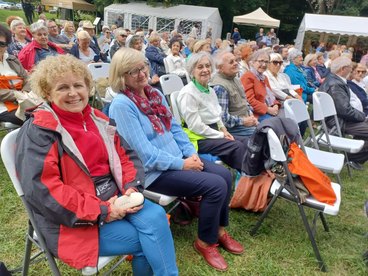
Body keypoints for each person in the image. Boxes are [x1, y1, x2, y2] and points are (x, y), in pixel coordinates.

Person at [15, 54, 178, 275]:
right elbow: (46, 193)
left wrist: (131, 188)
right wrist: (105, 210)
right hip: (71, 218)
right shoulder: (40, 131)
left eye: (78, 85)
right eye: (62, 87)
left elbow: (127, 157)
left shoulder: (97, 119)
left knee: (157, 217)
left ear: (88, 87)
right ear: (47, 93)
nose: (73, 93)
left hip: (117, 196)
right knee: (149, 239)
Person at [108, 48, 244, 272]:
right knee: (215, 185)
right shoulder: (122, 105)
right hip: (152, 173)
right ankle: (205, 242)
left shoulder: (153, 94)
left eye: (143, 67)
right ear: (121, 76)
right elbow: (145, 154)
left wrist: (190, 152)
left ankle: (218, 230)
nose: (142, 73)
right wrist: (183, 164)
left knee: (225, 175)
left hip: (177, 159)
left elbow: (175, 128)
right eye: (134, 71)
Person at [177, 52, 248, 171]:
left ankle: (246, 175)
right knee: (236, 146)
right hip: (198, 137)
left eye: (208, 66)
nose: (205, 70)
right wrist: (221, 135)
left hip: (213, 131)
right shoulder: (188, 93)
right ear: (192, 71)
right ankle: (247, 178)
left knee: (246, 142)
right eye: (200, 67)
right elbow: (195, 126)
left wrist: (224, 130)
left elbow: (217, 114)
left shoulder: (209, 90)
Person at [319, 56, 368, 168]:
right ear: (343, 69)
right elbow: (344, 110)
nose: (352, 70)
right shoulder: (335, 84)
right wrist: (362, 116)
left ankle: (353, 157)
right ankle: (351, 158)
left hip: (339, 119)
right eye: (350, 68)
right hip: (337, 122)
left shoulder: (334, 80)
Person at [211, 50, 257, 137]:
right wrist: (244, 121)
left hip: (246, 121)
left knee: (272, 128)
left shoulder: (236, 79)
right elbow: (223, 119)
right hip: (233, 128)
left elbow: (245, 103)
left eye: (236, 60)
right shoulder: (220, 87)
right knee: (264, 135)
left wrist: (251, 116)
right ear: (220, 68)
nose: (236, 63)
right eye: (231, 62)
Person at [0, 24, 30, 125]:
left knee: (49, 111)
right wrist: (17, 95)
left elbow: (27, 78)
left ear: (7, 45)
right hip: (3, 107)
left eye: (1, 44)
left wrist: (25, 92)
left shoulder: (12, 59)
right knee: (31, 119)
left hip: (24, 100)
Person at [241, 50, 280, 122]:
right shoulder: (247, 77)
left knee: (288, 119)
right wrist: (267, 109)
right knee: (276, 123)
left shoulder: (264, 77)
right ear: (253, 62)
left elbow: (271, 96)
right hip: (255, 114)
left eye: (266, 62)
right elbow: (249, 101)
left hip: (270, 109)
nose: (264, 64)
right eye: (261, 61)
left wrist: (276, 105)